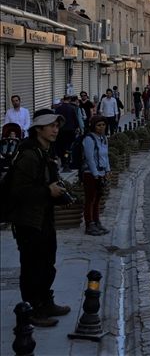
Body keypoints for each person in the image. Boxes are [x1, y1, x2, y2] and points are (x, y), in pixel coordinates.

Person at [8, 109, 71, 327]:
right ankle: (32, 310)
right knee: (32, 267)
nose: (55, 130)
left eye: (57, 126)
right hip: (28, 220)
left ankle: (46, 302)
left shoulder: (44, 151)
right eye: (51, 126)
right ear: (38, 129)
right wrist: (47, 191)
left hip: (43, 216)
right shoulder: (28, 155)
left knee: (47, 263)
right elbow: (19, 191)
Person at [80, 115, 111, 236]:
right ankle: (89, 224)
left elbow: (105, 155)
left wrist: (107, 170)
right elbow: (90, 158)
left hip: (102, 172)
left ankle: (97, 221)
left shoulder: (103, 138)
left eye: (103, 125)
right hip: (90, 174)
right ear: (93, 126)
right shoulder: (89, 139)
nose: (101, 127)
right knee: (90, 199)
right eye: (99, 125)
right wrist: (95, 174)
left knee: (98, 199)